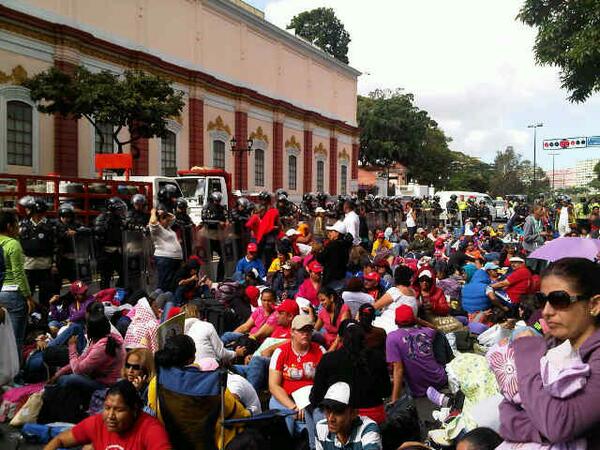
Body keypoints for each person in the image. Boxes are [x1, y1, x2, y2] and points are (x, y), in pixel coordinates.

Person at [499, 258, 600, 448]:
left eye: (559, 300)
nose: (546, 311)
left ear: (594, 305)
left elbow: (559, 424)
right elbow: (506, 413)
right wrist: (543, 427)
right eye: (542, 300)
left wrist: (528, 352)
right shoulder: (552, 343)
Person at [44, 380, 171, 450]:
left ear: (134, 410)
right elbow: (59, 440)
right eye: (107, 408)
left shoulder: (151, 429)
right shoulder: (97, 422)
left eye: (119, 410)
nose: (110, 416)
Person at [311, 323, 390, 424]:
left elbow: (316, 396)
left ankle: (315, 440)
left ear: (341, 338)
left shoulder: (329, 359)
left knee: (316, 411)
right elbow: (386, 391)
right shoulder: (377, 357)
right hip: (374, 415)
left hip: (342, 418)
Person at [268, 314, 325, 450]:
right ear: (292, 332)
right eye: (301, 331)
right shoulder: (281, 352)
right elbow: (273, 385)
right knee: (287, 417)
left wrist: (307, 404)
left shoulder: (320, 350)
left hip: (311, 399)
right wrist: (293, 406)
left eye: (309, 330)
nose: (306, 334)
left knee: (318, 417)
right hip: (285, 397)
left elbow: (326, 382)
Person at [49, 312, 126, 394]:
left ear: (92, 330)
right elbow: (82, 359)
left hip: (106, 385)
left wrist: (72, 346)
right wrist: (59, 373)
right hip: (96, 375)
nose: (85, 328)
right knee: (75, 327)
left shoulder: (102, 347)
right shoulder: (101, 338)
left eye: (87, 326)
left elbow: (77, 370)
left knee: (66, 379)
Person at [386, 305, 447, 400]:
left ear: (396, 321)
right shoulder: (426, 331)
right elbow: (435, 328)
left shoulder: (392, 337)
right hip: (439, 379)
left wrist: (394, 399)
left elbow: (398, 369)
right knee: (440, 336)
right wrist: (419, 320)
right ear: (414, 320)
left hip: (418, 389)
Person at [0, 210, 33, 356]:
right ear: (9, 226)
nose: (19, 227)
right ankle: (15, 375)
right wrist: (28, 296)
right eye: (16, 224)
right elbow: (18, 273)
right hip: (13, 294)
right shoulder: (13, 244)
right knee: (14, 339)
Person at [315, 381, 382, 450]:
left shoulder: (368, 429)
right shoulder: (321, 428)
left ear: (354, 413)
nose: (330, 419)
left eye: (338, 411)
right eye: (328, 410)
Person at [18, 196, 57, 308]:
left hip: (45, 265)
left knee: (46, 295)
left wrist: (54, 263)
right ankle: (28, 318)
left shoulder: (50, 226)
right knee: (27, 294)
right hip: (28, 265)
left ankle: (44, 318)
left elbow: (55, 246)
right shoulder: (23, 225)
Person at [373, 265, 418, 334]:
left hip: (388, 327)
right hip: (407, 329)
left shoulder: (395, 291)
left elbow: (374, 307)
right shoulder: (413, 292)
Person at [95, 197, 127, 289]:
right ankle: (105, 298)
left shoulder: (119, 219)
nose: (120, 211)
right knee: (105, 278)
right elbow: (98, 234)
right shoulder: (102, 218)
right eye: (118, 209)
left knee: (124, 273)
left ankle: (119, 291)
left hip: (117, 252)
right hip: (105, 254)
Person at [149, 208, 183, 292]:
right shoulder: (156, 229)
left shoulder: (168, 228)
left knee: (173, 283)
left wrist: (164, 213)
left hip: (174, 260)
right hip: (165, 259)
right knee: (164, 284)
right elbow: (153, 222)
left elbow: (173, 217)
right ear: (158, 220)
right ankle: (160, 302)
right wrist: (153, 212)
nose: (167, 220)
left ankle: (170, 301)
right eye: (163, 218)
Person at [316, 221, 352, 291]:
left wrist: (318, 252)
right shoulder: (346, 244)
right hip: (341, 276)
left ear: (337, 233)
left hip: (331, 278)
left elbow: (320, 258)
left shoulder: (332, 245)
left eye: (332, 231)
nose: (329, 233)